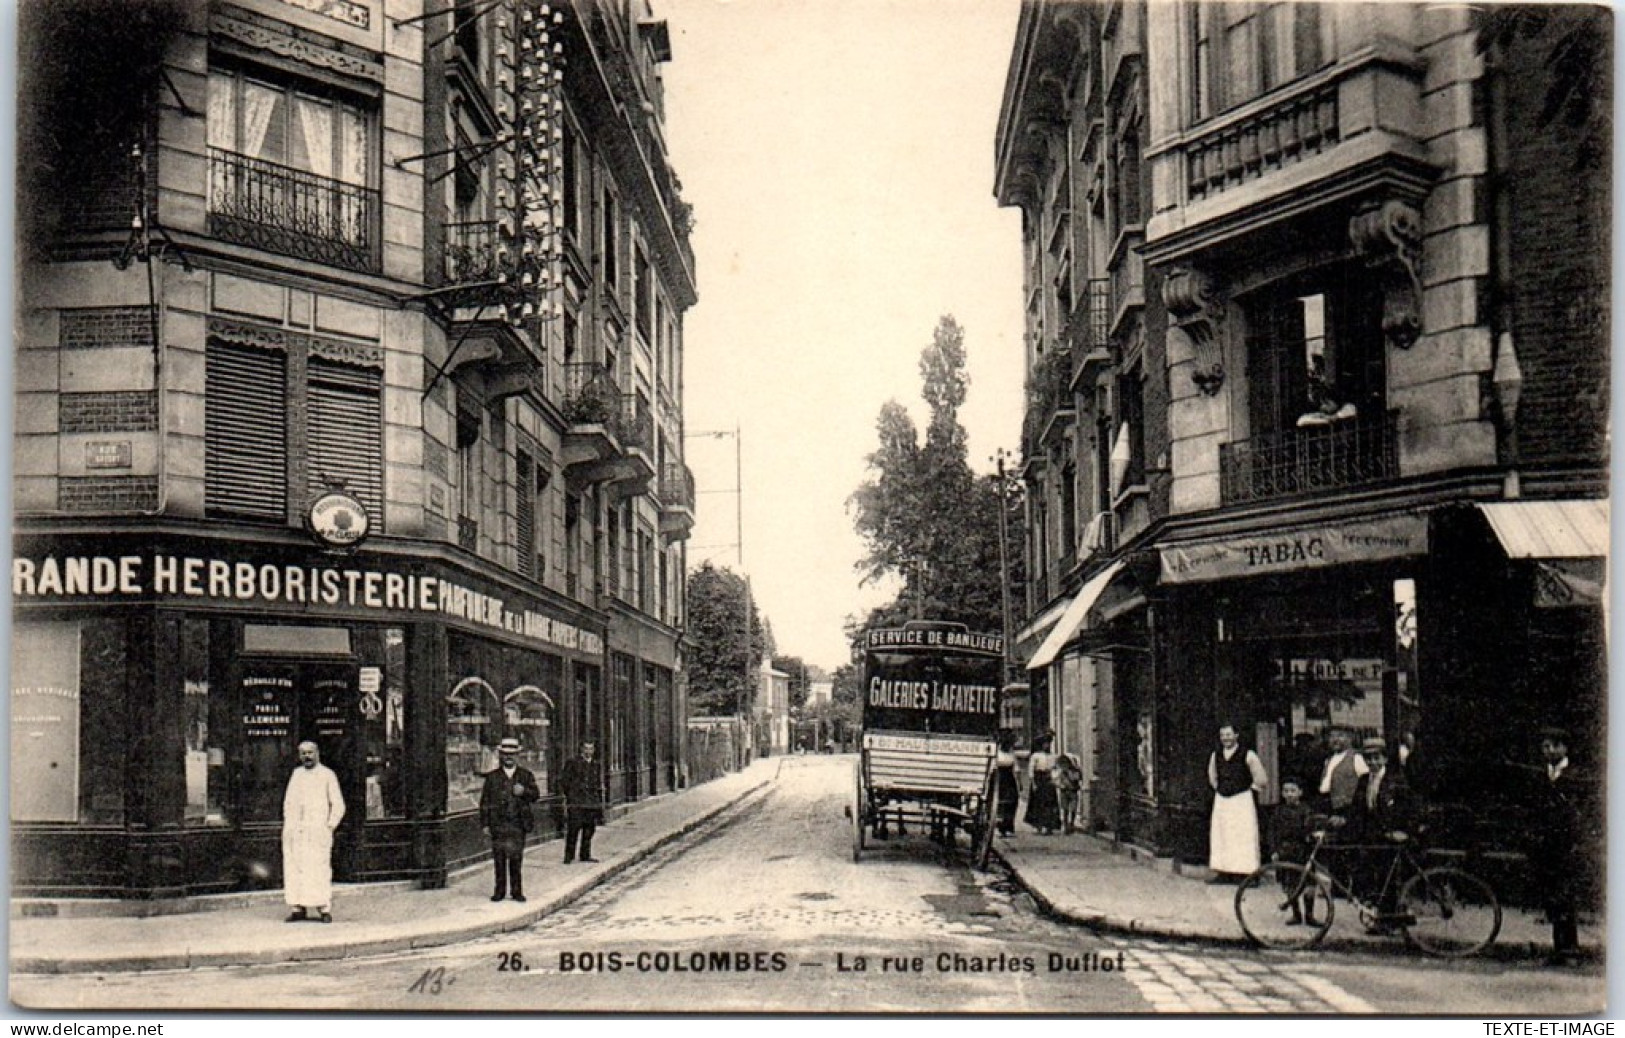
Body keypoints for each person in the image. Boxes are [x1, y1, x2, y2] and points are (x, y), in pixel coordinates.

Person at [1527, 728, 1593, 964]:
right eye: (1545, 746)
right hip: (1548, 844)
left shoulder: (1575, 776)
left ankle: (1571, 948)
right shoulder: (1543, 774)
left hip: (1568, 844)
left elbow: (1583, 813)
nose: (1549, 751)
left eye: (1554, 746)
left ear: (1564, 748)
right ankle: (1559, 949)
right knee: (1553, 896)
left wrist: (1579, 840)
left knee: (1566, 896)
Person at [1334, 737, 1413, 932]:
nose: (1373, 763)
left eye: (1377, 758)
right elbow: (1357, 810)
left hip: (1391, 836)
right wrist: (1341, 820)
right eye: (1369, 759)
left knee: (1388, 877)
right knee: (1370, 877)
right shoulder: (1363, 780)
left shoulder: (1396, 781)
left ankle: (1390, 919)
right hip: (1372, 836)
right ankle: (1380, 917)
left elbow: (1409, 807)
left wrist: (1404, 830)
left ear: (1385, 759)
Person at [281, 741, 345, 923]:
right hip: (296, 832)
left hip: (317, 832)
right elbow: (288, 802)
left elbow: (338, 804)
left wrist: (329, 826)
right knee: (295, 869)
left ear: (317, 753)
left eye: (310, 753)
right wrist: (289, 824)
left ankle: (323, 909)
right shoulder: (297, 774)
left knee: (318, 870)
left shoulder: (327, 775)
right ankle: (297, 908)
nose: (306, 757)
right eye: (303, 753)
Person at [480, 736, 541, 902]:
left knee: (516, 858)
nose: (509, 757)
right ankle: (499, 891)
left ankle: (516, 891)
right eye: (505, 754)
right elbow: (485, 802)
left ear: (517, 756)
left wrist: (524, 792)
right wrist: (485, 824)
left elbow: (536, 795)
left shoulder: (526, 775)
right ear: (501, 755)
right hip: (498, 824)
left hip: (517, 823)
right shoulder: (492, 777)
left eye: (512, 754)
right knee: (499, 858)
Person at [1207, 723, 1268, 882]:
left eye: (1228, 734)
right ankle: (1224, 872)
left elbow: (1261, 778)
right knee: (1222, 835)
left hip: (1241, 800)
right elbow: (1212, 776)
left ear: (1236, 735)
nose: (1225, 738)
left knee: (1243, 836)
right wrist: (1221, 789)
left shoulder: (1248, 755)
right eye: (1222, 735)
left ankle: (1247, 874)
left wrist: (1248, 790)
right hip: (1222, 800)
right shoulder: (1216, 755)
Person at [1270, 778, 1320, 926]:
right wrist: (1274, 850)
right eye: (1286, 791)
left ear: (1300, 792)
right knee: (1290, 884)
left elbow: (1310, 828)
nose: (1289, 794)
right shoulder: (1278, 812)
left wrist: (1312, 835)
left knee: (1309, 884)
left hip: (1303, 852)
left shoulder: (1306, 810)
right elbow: (1272, 833)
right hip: (1286, 852)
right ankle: (1296, 914)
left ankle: (1309, 915)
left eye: (1293, 791)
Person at [560, 740, 604, 864]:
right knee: (573, 829)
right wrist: (571, 796)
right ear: (581, 749)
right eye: (586, 748)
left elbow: (597, 784)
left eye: (591, 749)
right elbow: (564, 781)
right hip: (577, 803)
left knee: (589, 830)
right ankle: (569, 856)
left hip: (591, 802)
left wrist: (598, 802)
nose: (588, 751)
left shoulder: (596, 765)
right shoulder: (573, 763)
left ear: (593, 750)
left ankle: (585, 854)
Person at [1317, 725, 1369, 813]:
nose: (1335, 740)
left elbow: (1364, 783)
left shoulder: (1356, 758)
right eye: (1332, 736)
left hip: (1346, 809)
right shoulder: (1328, 760)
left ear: (1350, 738)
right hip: (1327, 804)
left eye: (1340, 736)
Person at [1024, 731, 1062, 835]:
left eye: (1049, 743)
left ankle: (1049, 825)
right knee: (1038, 803)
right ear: (1041, 745)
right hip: (1038, 779)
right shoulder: (1036, 756)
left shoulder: (1053, 756)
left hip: (1048, 780)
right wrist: (1033, 782)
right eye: (1045, 743)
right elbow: (1031, 769)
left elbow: (1057, 768)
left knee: (1050, 802)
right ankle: (1038, 826)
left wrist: (1054, 777)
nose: (1047, 746)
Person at [992, 731, 1021, 837]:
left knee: (1012, 801)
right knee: (1000, 802)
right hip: (999, 778)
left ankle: (1008, 824)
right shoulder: (997, 754)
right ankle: (1000, 825)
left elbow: (1016, 768)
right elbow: (993, 767)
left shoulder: (1011, 754)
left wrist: (1019, 782)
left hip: (1009, 779)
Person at [1053, 753, 1082, 835]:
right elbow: (1057, 780)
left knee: (1073, 809)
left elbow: (1076, 779)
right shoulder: (1061, 773)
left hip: (1073, 791)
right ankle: (1066, 825)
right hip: (1064, 792)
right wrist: (1060, 785)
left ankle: (1071, 823)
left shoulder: (1075, 771)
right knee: (1065, 809)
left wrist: (1069, 773)